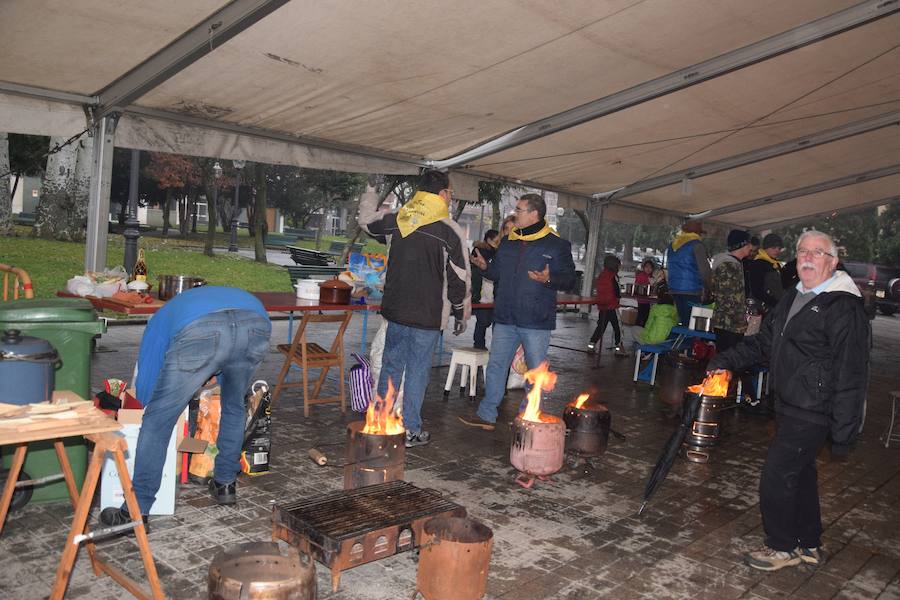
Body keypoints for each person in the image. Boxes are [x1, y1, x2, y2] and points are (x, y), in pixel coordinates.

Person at [707, 230, 868, 572]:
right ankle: (808, 543)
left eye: (817, 253)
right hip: (789, 402)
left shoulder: (843, 306)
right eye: (802, 252)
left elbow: (852, 371)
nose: (808, 258)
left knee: (778, 476)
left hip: (813, 408)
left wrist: (845, 428)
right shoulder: (795, 296)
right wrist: (725, 360)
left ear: (833, 262)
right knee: (802, 474)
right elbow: (763, 342)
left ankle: (781, 546)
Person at [100, 286, 271, 528]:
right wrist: (212, 369)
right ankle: (225, 483)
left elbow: (149, 368)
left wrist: (149, 404)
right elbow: (225, 351)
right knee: (233, 405)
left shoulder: (160, 319)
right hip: (256, 322)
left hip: (201, 328)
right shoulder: (189, 304)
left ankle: (135, 512)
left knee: (157, 421)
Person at [358, 169, 470, 448]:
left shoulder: (398, 219)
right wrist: (460, 312)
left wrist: (371, 193)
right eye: (450, 193)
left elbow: (366, 222)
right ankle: (410, 430)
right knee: (418, 370)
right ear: (443, 194)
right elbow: (460, 277)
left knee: (391, 366)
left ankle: (382, 423)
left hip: (396, 310)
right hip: (428, 316)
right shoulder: (449, 230)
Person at [459, 193, 576, 430]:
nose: (514, 214)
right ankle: (486, 415)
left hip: (535, 320)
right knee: (496, 366)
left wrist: (549, 278)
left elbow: (570, 280)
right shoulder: (510, 242)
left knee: (535, 372)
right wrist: (484, 267)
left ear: (534, 214)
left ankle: (528, 416)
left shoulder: (556, 244)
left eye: (519, 210)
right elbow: (497, 274)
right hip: (505, 317)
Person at [665, 220, 711, 326]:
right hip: (692, 290)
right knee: (693, 324)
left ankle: (682, 341)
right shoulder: (697, 245)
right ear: (697, 233)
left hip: (675, 290)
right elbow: (704, 271)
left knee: (683, 321)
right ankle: (690, 342)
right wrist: (709, 287)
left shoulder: (672, 245)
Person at [588, 254, 625, 356]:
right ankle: (619, 348)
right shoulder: (613, 277)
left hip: (603, 305)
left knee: (601, 327)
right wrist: (618, 298)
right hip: (612, 306)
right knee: (618, 327)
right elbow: (617, 291)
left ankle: (591, 344)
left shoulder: (602, 275)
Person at [471, 229, 501, 350]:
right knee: (484, 322)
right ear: (489, 240)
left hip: (485, 294)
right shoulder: (487, 253)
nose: (498, 243)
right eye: (496, 241)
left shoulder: (486, 252)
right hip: (484, 294)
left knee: (483, 323)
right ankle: (482, 347)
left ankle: (479, 346)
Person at [746, 233, 785, 311]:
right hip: (761, 309)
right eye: (773, 247)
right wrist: (775, 303)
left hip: (775, 308)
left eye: (779, 248)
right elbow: (757, 290)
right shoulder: (758, 264)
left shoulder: (775, 264)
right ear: (765, 248)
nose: (777, 250)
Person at [634, 259, 656, 326]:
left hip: (648, 300)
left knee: (646, 316)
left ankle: (642, 329)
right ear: (643, 268)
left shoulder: (652, 277)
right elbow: (636, 285)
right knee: (641, 315)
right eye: (646, 267)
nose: (648, 269)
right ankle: (637, 328)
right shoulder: (640, 275)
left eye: (650, 267)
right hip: (641, 299)